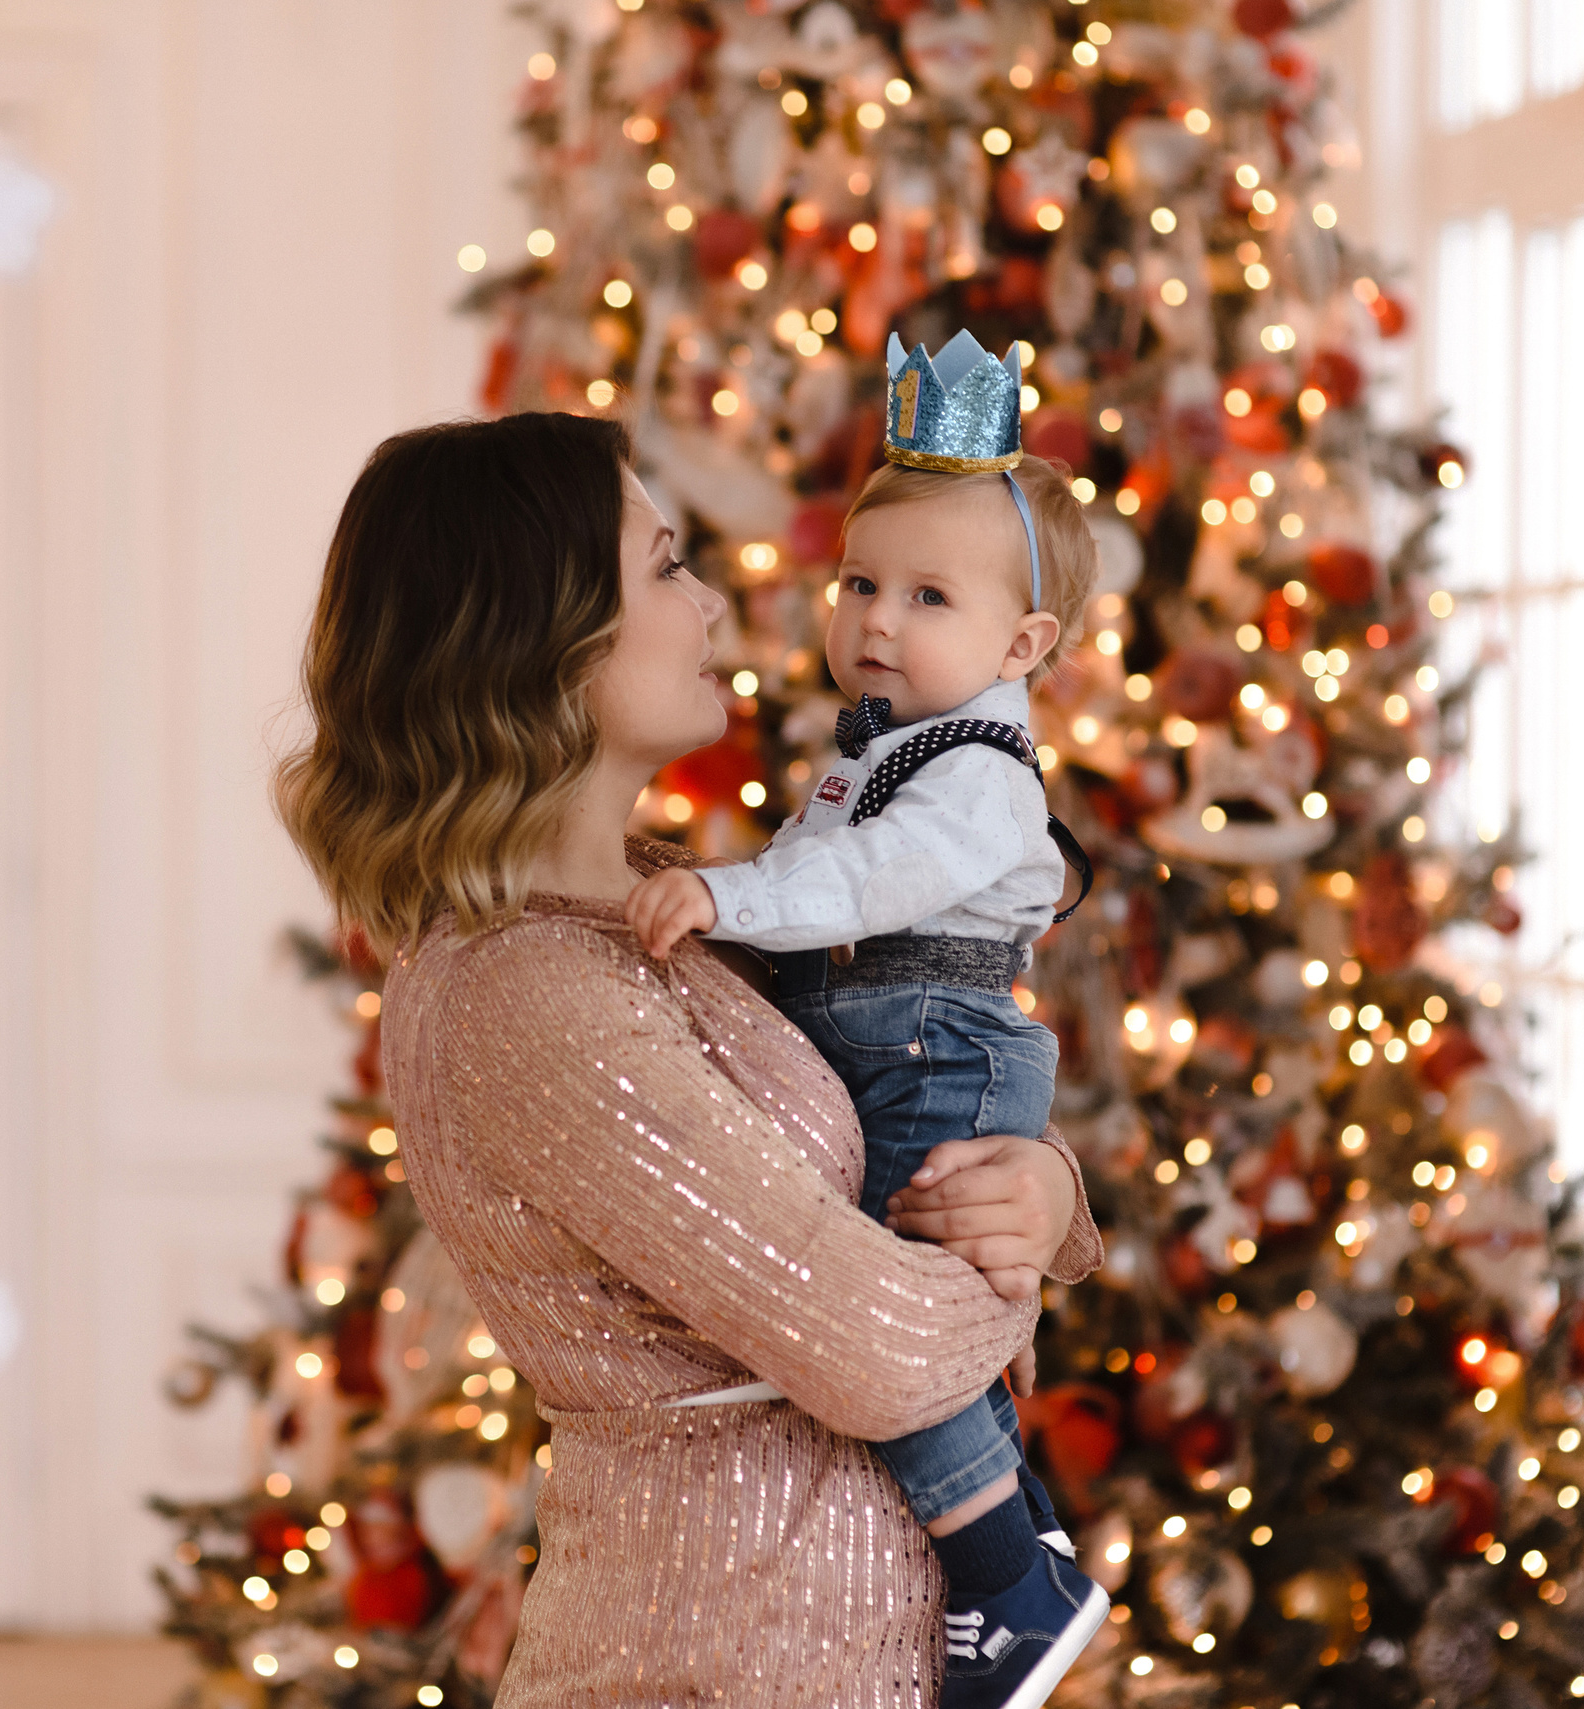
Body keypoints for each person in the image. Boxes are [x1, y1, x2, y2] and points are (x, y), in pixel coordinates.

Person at [274, 408, 1103, 1707]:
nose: (714, 601)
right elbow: (881, 1345)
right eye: (666, 567)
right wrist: (1013, 1262)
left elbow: (879, 1137)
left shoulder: (669, 908)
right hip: (715, 1665)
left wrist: (1043, 1190)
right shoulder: (528, 994)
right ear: (543, 641)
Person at [623, 332, 1107, 1705]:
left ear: (1022, 645)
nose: (877, 621)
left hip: (936, 1041)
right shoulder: (885, 748)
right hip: (891, 1030)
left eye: (928, 596)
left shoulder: (981, 774)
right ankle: (1028, 1535)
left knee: (896, 1312)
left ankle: (1009, 1585)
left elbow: (863, 882)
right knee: (919, 1290)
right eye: (860, 583)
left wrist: (726, 896)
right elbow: (817, 871)